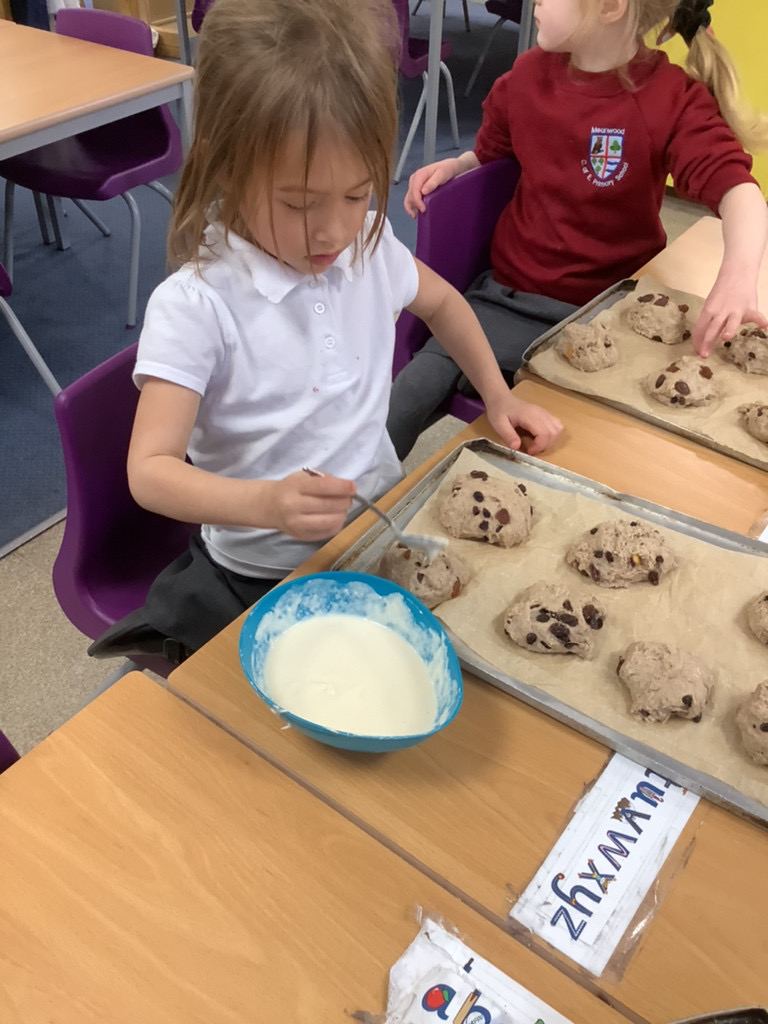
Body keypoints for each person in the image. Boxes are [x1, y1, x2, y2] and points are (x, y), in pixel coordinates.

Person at [88, 0, 562, 665]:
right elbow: (150, 472)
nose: (334, 230)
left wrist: (499, 395)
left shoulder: (366, 245)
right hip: (260, 577)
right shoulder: (198, 307)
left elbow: (446, 304)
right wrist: (267, 503)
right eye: (299, 203)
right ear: (226, 167)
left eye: (358, 193)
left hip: (374, 539)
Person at [387, 0, 768, 461]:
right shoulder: (527, 77)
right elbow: (496, 154)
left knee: (602, 450)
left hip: (607, 317)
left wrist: (738, 276)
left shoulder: (670, 98)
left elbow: (740, 193)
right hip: (504, 301)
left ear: (610, 6)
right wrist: (457, 166)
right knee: (405, 398)